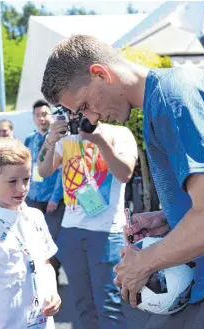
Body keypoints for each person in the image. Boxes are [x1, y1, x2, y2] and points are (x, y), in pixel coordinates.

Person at [41, 34, 204, 329]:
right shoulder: (164, 98)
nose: (92, 119)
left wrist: (144, 262)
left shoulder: (173, 97)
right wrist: (170, 218)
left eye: (85, 105)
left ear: (101, 73)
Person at [38, 109, 137, 328]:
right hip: (71, 231)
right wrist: (51, 140)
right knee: (83, 306)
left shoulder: (119, 134)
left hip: (106, 233)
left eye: (78, 109)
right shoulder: (66, 139)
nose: (74, 115)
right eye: (69, 111)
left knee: (110, 307)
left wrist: (99, 140)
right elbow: (43, 170)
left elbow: (125, 173)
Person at [0, 137, 61, 329]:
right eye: (12, 181)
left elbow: (46, 264)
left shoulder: (35, 217)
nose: (22, 188)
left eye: (26, 179)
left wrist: (53, 292)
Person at [24, 100, 64, 282]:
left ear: (51, 116)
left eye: (45, 114)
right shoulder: (29, 140)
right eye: (38, 115)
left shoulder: (60, 139)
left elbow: (63, 172)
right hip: (33, 198)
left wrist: (55, 198)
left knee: (52, 240)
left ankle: (53, 277)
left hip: (52, 200)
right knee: (34, 240)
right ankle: (40, 278)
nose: (41, 118)